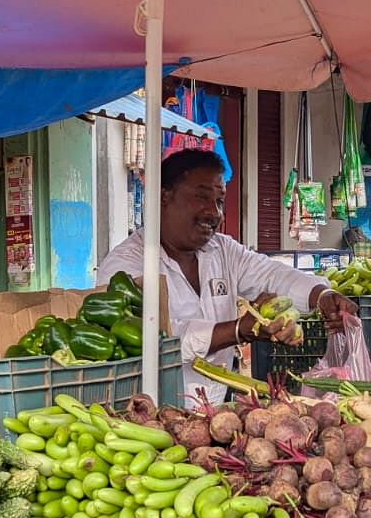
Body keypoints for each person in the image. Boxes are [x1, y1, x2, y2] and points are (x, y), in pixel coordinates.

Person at [95, 149, 355, 405]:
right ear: (164, 197)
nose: (214, 212)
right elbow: (159, 337)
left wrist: (322, 295)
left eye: (219, 201)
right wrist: (239, 329)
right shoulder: (126, 265)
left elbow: (273, 275)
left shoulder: (223, 250)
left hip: (217, 412)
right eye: (202, 197)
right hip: (150, 415)